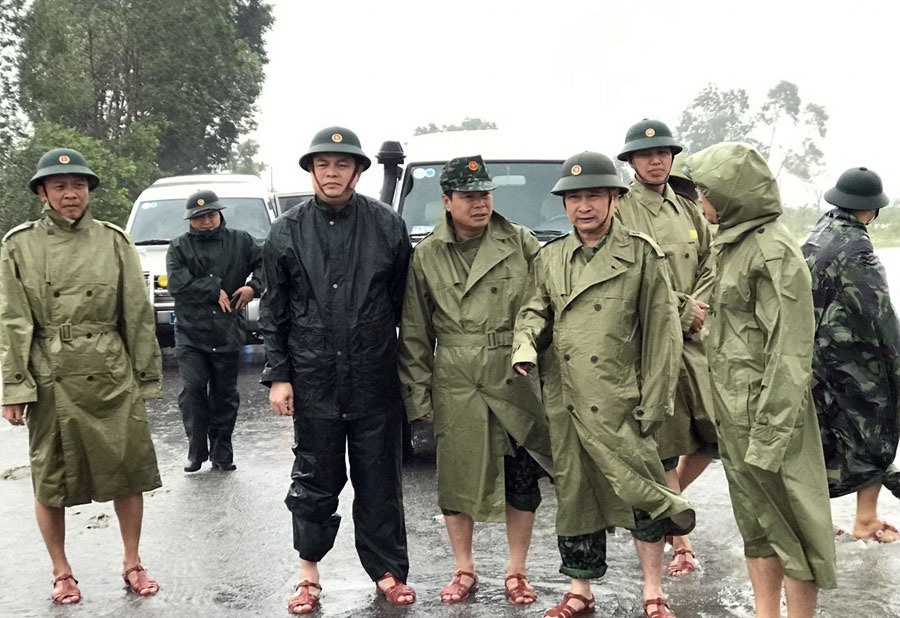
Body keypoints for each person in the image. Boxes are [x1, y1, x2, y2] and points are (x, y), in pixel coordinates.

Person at [512, 151, 695, 618]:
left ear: (614, 197)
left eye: (594, 194)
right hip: (570, 400)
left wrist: (655, 404)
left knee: (642, 496)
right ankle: (579, 589)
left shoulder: (641, 254)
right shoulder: (551, 258)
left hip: (623, 401)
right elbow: (534, 310)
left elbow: (662, 335)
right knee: (576, 498)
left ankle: (653, 591)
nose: (583, 206)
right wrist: (525, 345)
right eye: (574, 198)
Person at [260, 126, 415, 614]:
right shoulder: (286, 231)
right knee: (314, 478)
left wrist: (406, 371)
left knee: (379, 480)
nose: (332, 173)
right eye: (322, 164)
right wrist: (279, 374)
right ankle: (308, 574)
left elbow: (403, 305)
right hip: (312, 377)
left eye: (342, 164)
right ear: (310, 170)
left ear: (358, 171)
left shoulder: (387, 226)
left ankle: (388, 571)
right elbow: (275, 309)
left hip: (374, 377)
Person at [0, 148, 163, 604]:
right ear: (43, 194)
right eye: (59, 186)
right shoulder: (19, 246)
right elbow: (12, 320)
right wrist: (14, 387)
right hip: (50, 372)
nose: (70, 194)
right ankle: (61, 571)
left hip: (111, 370)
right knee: (49, 477)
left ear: (89, 190)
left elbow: (136, 311)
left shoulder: (114, 241)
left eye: (78, 185)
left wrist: (145, 375)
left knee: (127, 470)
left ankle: (132, 561)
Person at [684, 142, 837, 618]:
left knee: (793, 531)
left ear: (732, 194)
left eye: (706, 192)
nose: (700, 202)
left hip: (770, 418)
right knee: (757, 528)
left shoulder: (772, 250)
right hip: (735, 414)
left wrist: (771, 433)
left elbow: (791, 350)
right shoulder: (734, 243)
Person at [397, 155, 552, 606]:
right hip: (457, 378)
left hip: (512, 370)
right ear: (446, 201)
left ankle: (516, 571)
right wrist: (417, 395)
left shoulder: (521, 241)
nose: (479, 203)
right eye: (468, 196)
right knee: (457, 480)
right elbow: (415, 330)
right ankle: (464, 568)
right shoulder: (426, 255)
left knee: (521, 476)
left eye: (484, 194)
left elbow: (544, 301)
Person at [615, 119, 716, 577]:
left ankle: (673, 503)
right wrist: (679, 308)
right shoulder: (623, 209)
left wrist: (698, 307)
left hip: (695, 339)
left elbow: (712, 261)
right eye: (645, 155)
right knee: (665, 443)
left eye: (662, 154)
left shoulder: (688, 207)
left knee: (713, 434)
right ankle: (680, 536)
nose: (655, 161)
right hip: (652, 340)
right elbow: (629, 271)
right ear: (632, 162)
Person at [801, 166, 900, 542]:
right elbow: (878, 309)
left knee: (821, 436)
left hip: (812, 351)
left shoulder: (817, 232)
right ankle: (866, 518)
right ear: (871, 209)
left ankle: (815, 519)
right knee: (877, 428)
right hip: (853, 358)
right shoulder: (858, 246)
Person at [166, 189, 263, 473]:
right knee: (193, 390)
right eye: (199, 217)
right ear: (190, 220)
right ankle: (196, 450)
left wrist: (253, 287)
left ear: (219, 213)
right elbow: (177, 284)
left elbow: (266, 264)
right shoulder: (179, 247)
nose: (206, 221)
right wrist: (212, 288)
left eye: (210, 214)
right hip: (190, 334)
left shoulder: (241, 241)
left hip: (227, 330)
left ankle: (222, 450)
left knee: (224, 395)